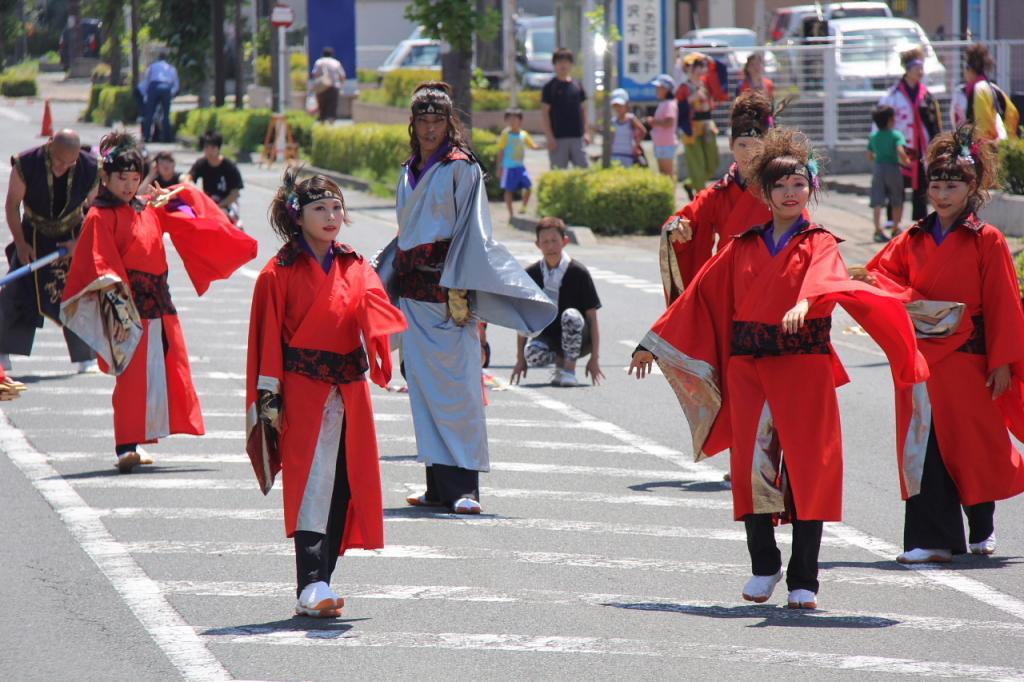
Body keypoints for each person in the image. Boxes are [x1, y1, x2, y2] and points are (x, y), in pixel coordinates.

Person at [629, 127, 927, 610]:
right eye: (780, 186)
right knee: (753, 469)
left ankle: (804, 576)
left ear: (810, 189)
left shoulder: (819, 241)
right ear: (763, 194)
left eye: (799, 185)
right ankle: (764, 565)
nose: (791, 193)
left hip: (804, 366)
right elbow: (700, 294)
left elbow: (825, 276)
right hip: (750, 368)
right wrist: (652, 342)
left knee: (810, 470)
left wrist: (807, 301)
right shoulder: (743, 245)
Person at [374, 82, 555, 515]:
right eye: (423, 121)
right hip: (414, 293)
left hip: (450, 289)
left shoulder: (462, 167)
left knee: (459, 392)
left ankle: (466, 488)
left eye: (438, 121)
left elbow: (475, 234)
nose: (430, 129)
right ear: (413, 124)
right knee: (422, 388)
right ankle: (437, 485)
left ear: (449, 123)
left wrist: (464, 288)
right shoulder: (409, 168)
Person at [245, 169, 407, 618]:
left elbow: (375, 307)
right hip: (304, 391)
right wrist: (270, 403)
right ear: (298, 216)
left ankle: (321, 581)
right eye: (321, 208)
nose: (332, 215)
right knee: (311, 486)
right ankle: (311, 583)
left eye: (337, 207)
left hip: (349, 391)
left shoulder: (355, 265)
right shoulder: (276, 274)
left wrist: (384, 330)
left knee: (344, 485)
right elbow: (266, 346)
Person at [859, 125, 1024, 564]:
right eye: (935, 184)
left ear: (974, 187)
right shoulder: (912, 237)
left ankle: (983, 525)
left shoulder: (986, 240)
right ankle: (931, 539)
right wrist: (896, 295)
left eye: (953, 185)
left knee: (974, 444)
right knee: (927, 446)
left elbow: (1005, 303)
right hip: (923, 360)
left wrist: (1004, 361)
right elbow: (881, 275)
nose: (942, 193)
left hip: (971, 359)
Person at [60, 130, 258, 473]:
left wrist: (184, 198)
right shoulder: (100, 215)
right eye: (122, 179)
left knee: (165, 372)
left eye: (135, 179)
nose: (129, 186)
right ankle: (126, 445)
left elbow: (187, 215)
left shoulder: (148, 206)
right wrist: (120, 305)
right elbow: (99, 260)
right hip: (126, 304)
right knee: (132, 378)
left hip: (159, 302)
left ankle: (140, 439)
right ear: (105, 178)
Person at [660, 90, 784, 305]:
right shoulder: (718, 194)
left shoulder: (781, 187)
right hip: (729, 288)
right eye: (742, 145)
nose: (748, 153)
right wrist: (678, 228)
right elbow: (685, 219)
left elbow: (804, 234)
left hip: (770, 286)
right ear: (731, 145)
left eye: (757, 146)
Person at [0, 129, 99, 374]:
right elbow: (12, 205)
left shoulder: (90, 168)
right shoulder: (26, 163)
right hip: (33, 234)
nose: (61, 167)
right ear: (49, 144)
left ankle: (86, 356)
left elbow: (96, 211)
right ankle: (2, 350)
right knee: (16, 292)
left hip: (72, 234)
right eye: (57, 160)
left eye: (68, 163)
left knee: (78, 292)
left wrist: (78, 244)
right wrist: (21, 244)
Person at [511, 216, 603, 387]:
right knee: (532, 353)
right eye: (545, 241)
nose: (550, 246)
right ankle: (559, 361)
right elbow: (523, 318)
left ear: (565, 241)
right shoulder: (532, 274)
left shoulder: (578, 272)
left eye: (554, 240)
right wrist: (520, 359)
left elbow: (593, 318)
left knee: (571, 315)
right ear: (537, 244)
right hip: (550, 337)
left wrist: (595, 359)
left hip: (580, 338)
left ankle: (569, 370)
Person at [877, 47, 942, 222]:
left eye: (922, 68)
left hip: (921, 146)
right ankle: (892, 218)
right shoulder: (893, 94)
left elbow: (934, 122)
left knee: (921, 182)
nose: (921, 72)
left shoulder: (926, 95)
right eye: (917, 68)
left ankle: (920, 218)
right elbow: (881, 120)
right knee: (896, 182)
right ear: (907, 69)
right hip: (900, 145)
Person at [676, 52, 726, 194]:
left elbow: (720, 77)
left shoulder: (706, 83)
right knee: (697, 165)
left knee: (713, 163)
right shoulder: (684, 88)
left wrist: (710, 60)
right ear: (689, 68)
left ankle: (691, 184)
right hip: (691, 128)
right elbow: (677, 109)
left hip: (707, 126)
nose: (701, 68)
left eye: (702, 65)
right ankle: (701, 197)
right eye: (698, 66)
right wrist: (689, 100)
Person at [952, 43, 1020, 142]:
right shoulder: (993, 87)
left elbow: (982, 128)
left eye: (965, 67)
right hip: (1005, 147)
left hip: (989, 150)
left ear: (970, 68)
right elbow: (1014, 113)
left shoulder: (979, 89)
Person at [867, 105, 911, 242]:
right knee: (896, 198)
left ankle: (877, 230)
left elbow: (870, 155)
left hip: (878, 168)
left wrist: (878, 158)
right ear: (891, 120)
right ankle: (896, 228)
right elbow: (900, 150)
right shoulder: (896, 135)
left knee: (877, 200)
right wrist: (906, 161)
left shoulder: (874, 136)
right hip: (893, 168)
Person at [541, 48, 590, 169]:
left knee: (584, 172)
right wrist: (549, 137)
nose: (563, 65)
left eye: (566, 62)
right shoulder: (549, 87)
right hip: (557, 139)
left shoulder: (577, 85)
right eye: (559, 62)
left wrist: (587, 132)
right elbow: (545, 114)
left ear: (571, 64)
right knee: (558, 173)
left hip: (577, 137)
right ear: (554, 65)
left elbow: (584, 110)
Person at [184, 131, 244, 224]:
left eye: (212, 147)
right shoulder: (201, 163)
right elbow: (188, 178)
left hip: (227, 203)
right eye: (206, 147)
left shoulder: (229, 166)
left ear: (218, 148)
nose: (209, 151)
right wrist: (192, 187)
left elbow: (235, 193)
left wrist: (219, 206)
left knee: (230, 220)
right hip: (207, 203)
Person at [496, 108, 541, 221]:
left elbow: (533, 146)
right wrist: (499, 167)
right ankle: (511, 214)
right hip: (508, 168)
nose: (512, 122)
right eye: (510, 119)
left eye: (514, 119)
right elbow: (501, 151)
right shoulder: (506, 135)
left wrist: (544, 146)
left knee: (529, 187)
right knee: (509, 191)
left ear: (520, 121)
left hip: (520, 167)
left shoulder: (524, 134)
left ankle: (523, 207)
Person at [138, 50, 180, 143]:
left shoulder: (153, 66)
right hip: (167, 87)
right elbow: (176, 85)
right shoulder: (171, 68)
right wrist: (171, 93)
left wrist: (145, 95)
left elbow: (147, 80)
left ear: (158, 58)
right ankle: (167, 138)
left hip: (154, 86)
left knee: (149, 114)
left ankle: (146, 136)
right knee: (166, 114)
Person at [646, 74, 679, 180]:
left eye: (660, 87)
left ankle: (671, 195)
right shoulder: (665, 103)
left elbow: (670, 122)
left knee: (668, 174)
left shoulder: (669, 104)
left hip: (666, 143)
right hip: (661, 144)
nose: (657, 89)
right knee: (663, 174)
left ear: (667, 89)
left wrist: (654, 122)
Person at [609, 88, 646, 167]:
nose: (618, 108)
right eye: (615, 106)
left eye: (620, 105)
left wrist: (636, 145)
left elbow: (643, 131)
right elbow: (611, 137)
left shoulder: (631, 119)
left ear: (626, 105)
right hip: (615, 154)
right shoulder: (613, 121)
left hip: (628, 155)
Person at [311, 47, 346, 123]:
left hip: (321, 88)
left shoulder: (319, 62)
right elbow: (342, 75)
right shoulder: (336, 63)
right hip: (333, 87)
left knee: (322, 107)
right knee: (332, 107)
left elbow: (315, 74)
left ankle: (322, 123)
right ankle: (331, 124)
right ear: (332, 54)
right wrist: (341, 86)